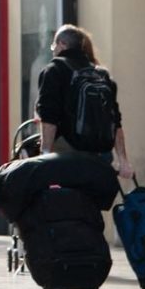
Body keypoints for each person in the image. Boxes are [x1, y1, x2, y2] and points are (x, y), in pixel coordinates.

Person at [34, 24, 134, 179]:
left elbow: (49, 117)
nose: (53, 49)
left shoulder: (54, 70)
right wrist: (123, 161)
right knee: (95, 200)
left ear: (62, 44)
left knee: (65, 200)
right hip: (100, 153)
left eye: (54, 45)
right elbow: (115, 121)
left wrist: (45, 154)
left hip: (68, 151)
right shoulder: (101, 74)